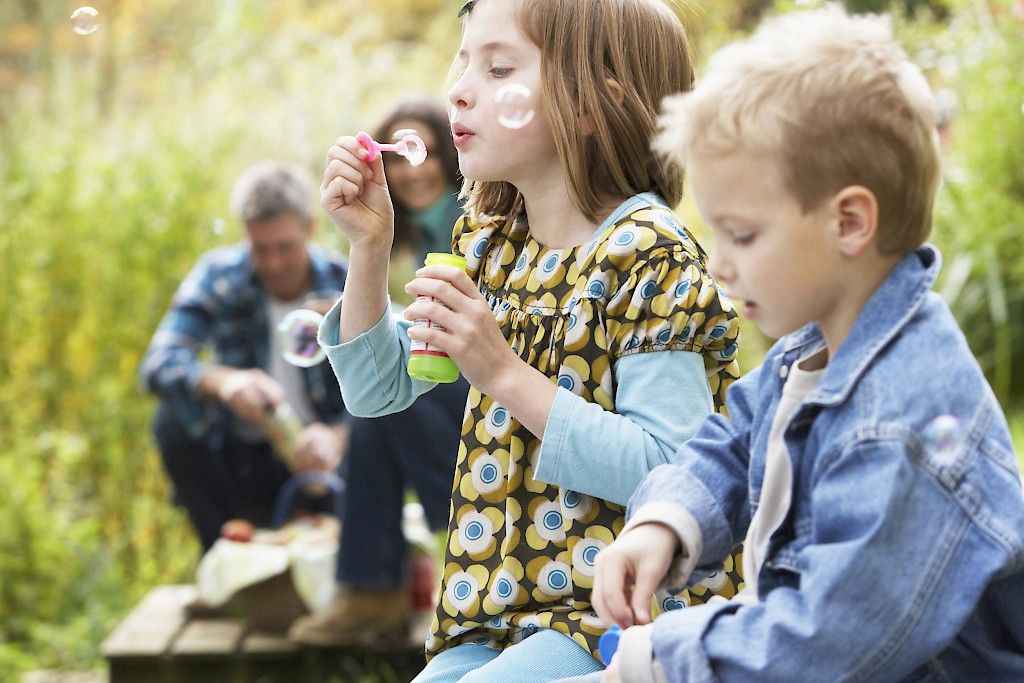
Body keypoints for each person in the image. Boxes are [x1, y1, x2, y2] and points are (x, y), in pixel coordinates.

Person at [575, 7, 1024, 682]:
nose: (719, 264)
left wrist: (659, 658)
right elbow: (732, 438)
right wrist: (663, 523)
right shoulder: (812, 350)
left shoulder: (899, 419)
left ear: (848, 222)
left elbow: (826, 642)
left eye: (743, 235)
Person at [316, 0, 742, 680]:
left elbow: (676, 469)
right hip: (493, 610)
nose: (458, 87)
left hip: (620, 614)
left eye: (498, 67)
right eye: (463, 60)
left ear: (591, 103)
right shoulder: (491, 244)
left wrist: (504, 373)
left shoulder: (645, 254)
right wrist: (370, 246)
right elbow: (376, 391)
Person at [289, 97, 471, 647]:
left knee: (383, 411)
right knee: (371, 413)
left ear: (449, 152)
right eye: (401, 155)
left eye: (427, 151)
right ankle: (384, 584)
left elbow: (451, 326)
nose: (416, 168)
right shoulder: (405, 231)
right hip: (452, 376)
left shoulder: (473, 218)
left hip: (488, 387)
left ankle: (376, 586)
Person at [139, 161, 350, 552]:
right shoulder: (219, 276)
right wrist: (224, 383)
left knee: (371, 437)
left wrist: (340, 436)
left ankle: (359, 568)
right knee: (172, 421)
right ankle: (220, 556)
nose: (273, 263)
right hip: (242, 461)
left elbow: (388, 383)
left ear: (310, 227)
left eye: (285, 247)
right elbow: (158, 362)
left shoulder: (345, 282)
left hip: (326, 464)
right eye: (260, 248)